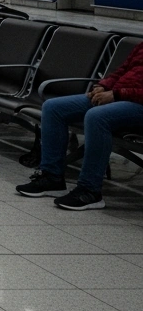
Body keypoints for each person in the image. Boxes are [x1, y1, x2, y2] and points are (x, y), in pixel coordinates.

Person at [16, 40, 143, 211]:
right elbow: (122, 71)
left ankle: (90, 191)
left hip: (136, 104)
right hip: (118, 96)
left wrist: (117, 94)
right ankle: (52, 178)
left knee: (97, 116)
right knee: (53, 108)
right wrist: (102, 86)